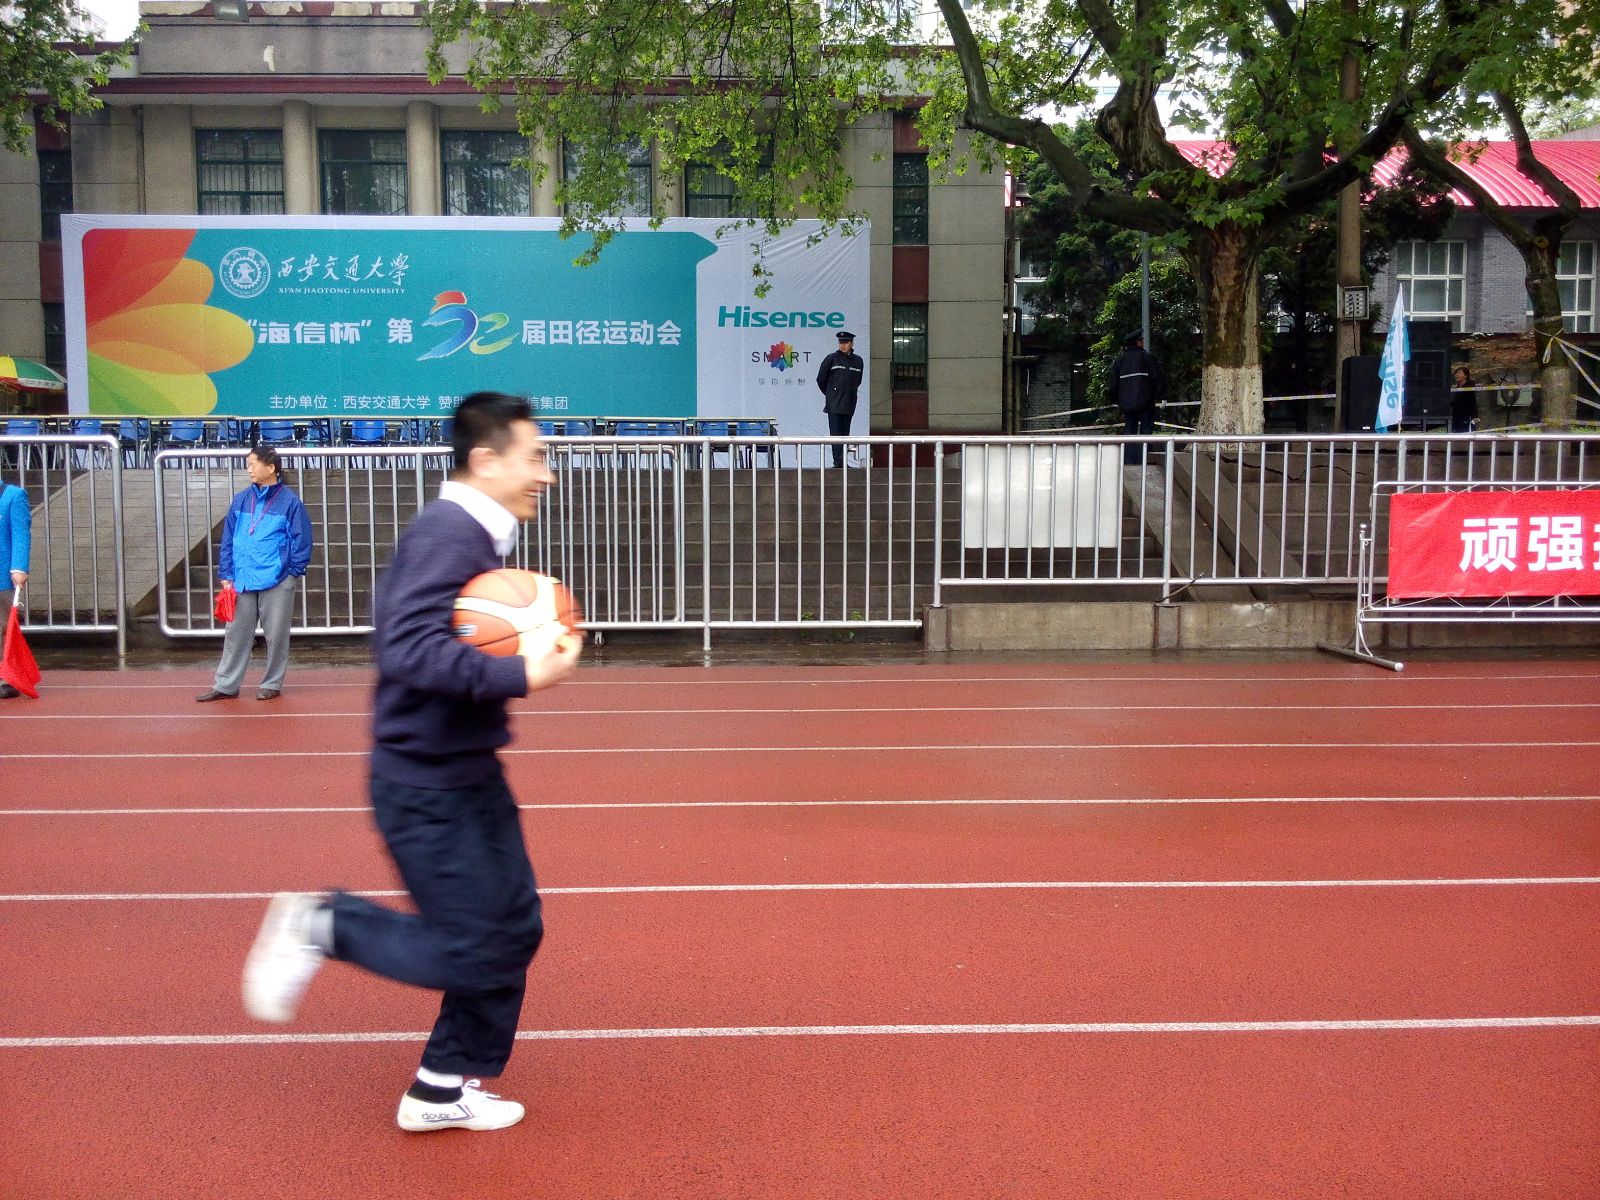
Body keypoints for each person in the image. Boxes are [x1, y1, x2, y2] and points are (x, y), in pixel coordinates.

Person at [241, 392, 581, 1133]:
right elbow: (406, 649)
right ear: (485, 460)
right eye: (535, 458)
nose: (546, 474)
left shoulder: (473, 534)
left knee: (514, 928)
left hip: (466, 771)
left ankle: (438, 1089)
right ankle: (324, 925)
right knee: (477, 946)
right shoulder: (449, 533)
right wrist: (522, 673)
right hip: (425, 785)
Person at [196, 444, 313, 702]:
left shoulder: (290, 502)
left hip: (276, 579)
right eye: (248, 464)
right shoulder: (241, 500)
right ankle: (226, 684)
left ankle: (272, 683)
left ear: (270, 468)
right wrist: (226, 573)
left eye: (253, 464)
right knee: (235, 634)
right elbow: (228, 540)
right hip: (243, 578)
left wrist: (292, 573)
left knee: (276, 635)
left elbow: (301, 539)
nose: (249, 469)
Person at [1109, 331, 1166, 464]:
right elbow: (1156, 378)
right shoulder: (1147, 358)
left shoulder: (1119, 361)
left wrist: (1115, 400)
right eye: (1141, 340)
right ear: (1138, 342)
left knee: (1129, 431)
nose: (1143, 342)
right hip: (1146, 402)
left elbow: (1113, 383)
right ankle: (1145, 459)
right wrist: (1162, 395)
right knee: (1146, 431)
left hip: (1127, 404)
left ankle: (1130, 461)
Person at [0, 473, 31, 700]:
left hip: (2, 575)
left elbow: (21, 534)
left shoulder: (13, 496)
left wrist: (19, 567)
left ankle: (5, 676)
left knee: (3, 626)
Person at [816, 329, 864, 467]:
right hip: (835, 403)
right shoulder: (831, 359)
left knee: (845, 433)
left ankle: (843, 461)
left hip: (849, 402)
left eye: (846, 342)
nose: (843, 345)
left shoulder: (858, 361)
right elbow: (820, 379)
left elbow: (858, 381)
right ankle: (838, 462)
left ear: (852, 343)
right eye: (841, 342)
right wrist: (831, 394)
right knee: (836, 433)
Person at [1451, 363, 1477, 433]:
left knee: (1466, 435)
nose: (1457, 375)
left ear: (1466, 376)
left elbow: (1472, 401)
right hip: (1455, 416)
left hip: (1466, 416)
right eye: (1456, 373)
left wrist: (1475, 416)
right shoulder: (1455, 388)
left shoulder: (1469, 387)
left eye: (1459, 373)